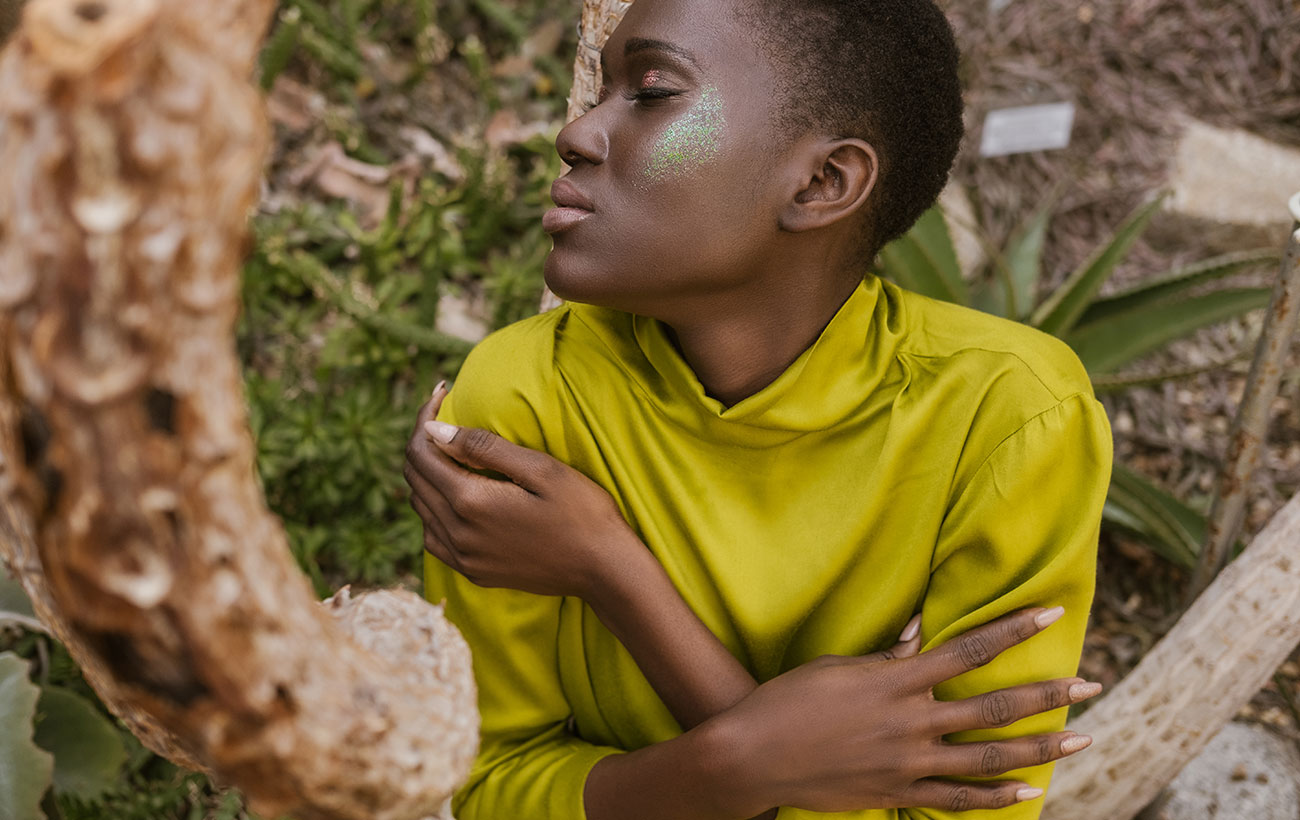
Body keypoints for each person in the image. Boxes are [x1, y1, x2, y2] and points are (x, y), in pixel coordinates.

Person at [403, 0, 1114, 817]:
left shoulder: (1007, 417)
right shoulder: (525, 396)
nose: (577, 133)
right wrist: (758, 761)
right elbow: (489, 786)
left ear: (823, 182)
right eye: (602, 92)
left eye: (652, 92)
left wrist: (613, 575)